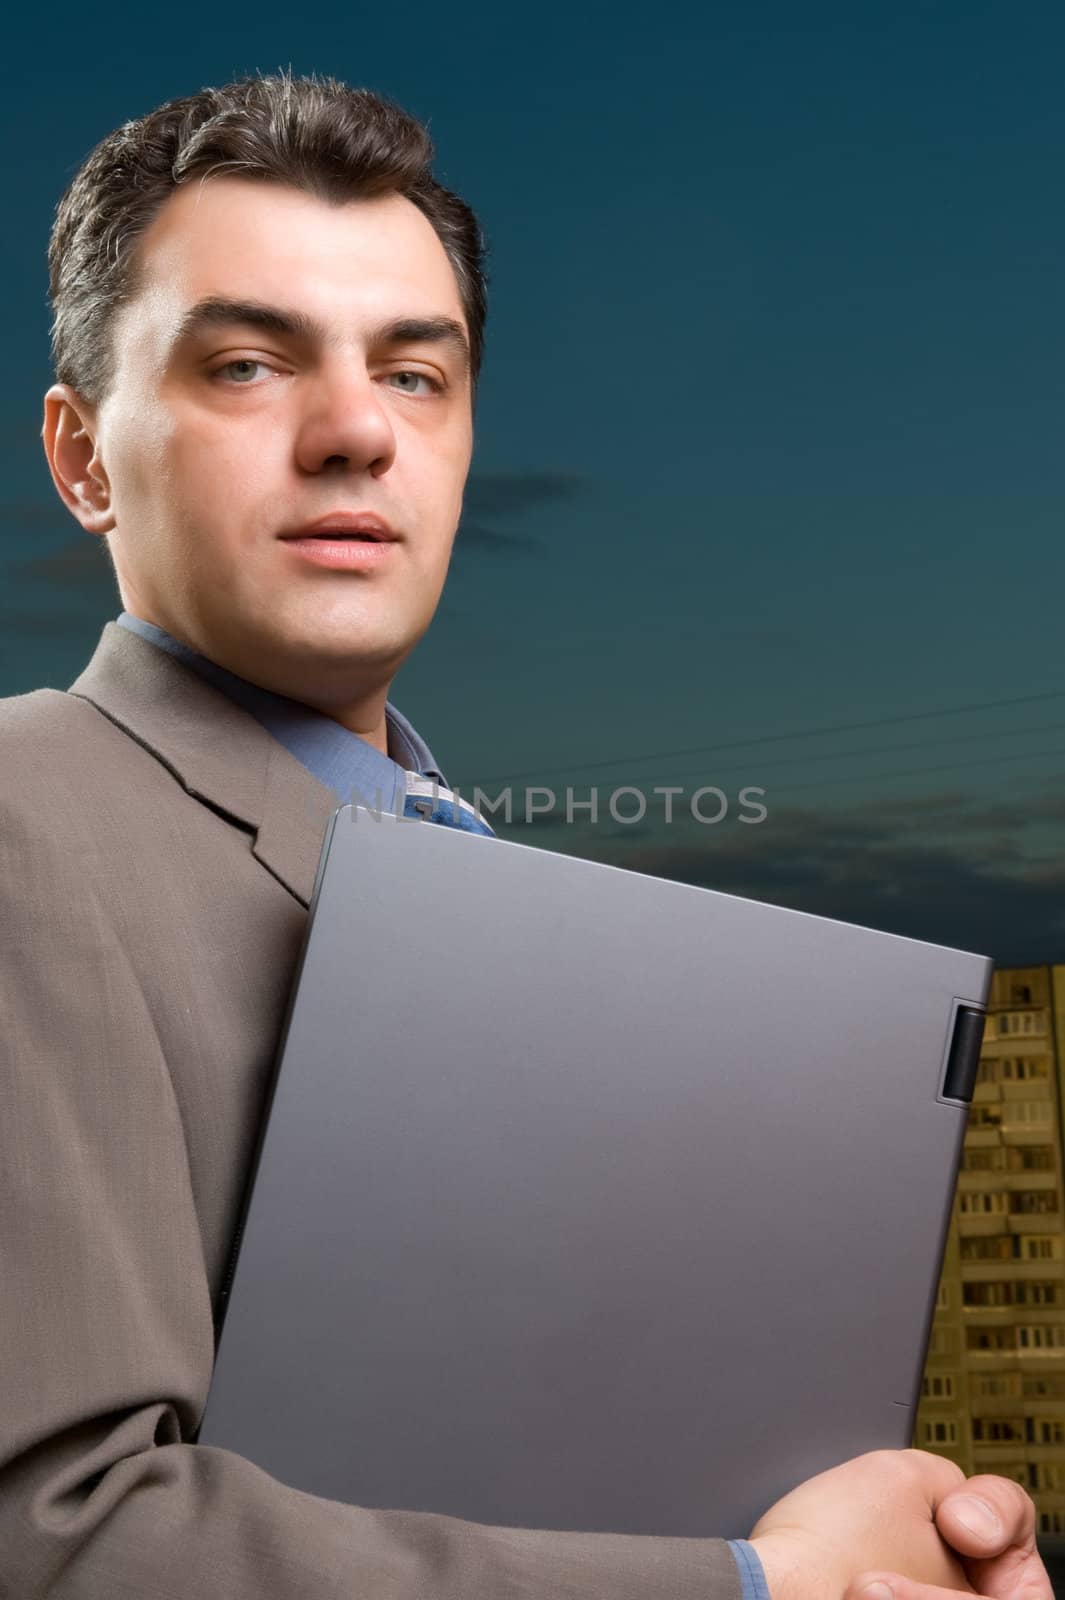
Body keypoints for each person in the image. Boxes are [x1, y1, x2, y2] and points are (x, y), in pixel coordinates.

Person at [0, 69, 1050, 1600]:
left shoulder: (504, 917)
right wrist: (754, 1588)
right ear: (84, 457)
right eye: (244, 364)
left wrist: (900, 1564)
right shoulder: (29, 818)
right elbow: (60, 1545)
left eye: (416, 375)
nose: (355, 430)